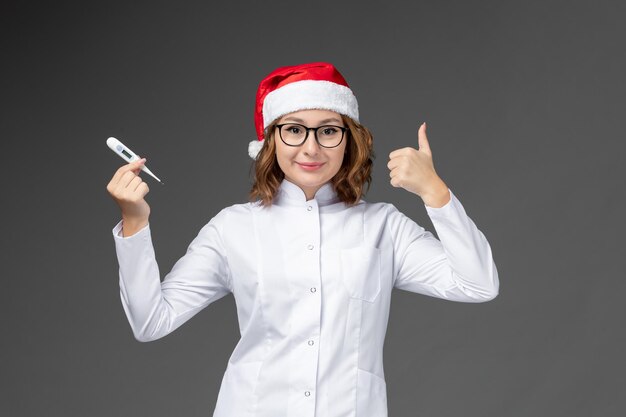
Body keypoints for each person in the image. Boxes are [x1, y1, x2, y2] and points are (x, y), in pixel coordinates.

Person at [107, 62, 499, 417]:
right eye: (294, 130)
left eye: (328, 131)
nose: (311, 148)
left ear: (349, 140)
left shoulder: (384, 227)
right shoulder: (233, 228)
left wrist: (436, 192)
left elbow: (478, 284)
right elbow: (150, 321)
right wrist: (134, 220)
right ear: (270, 140)